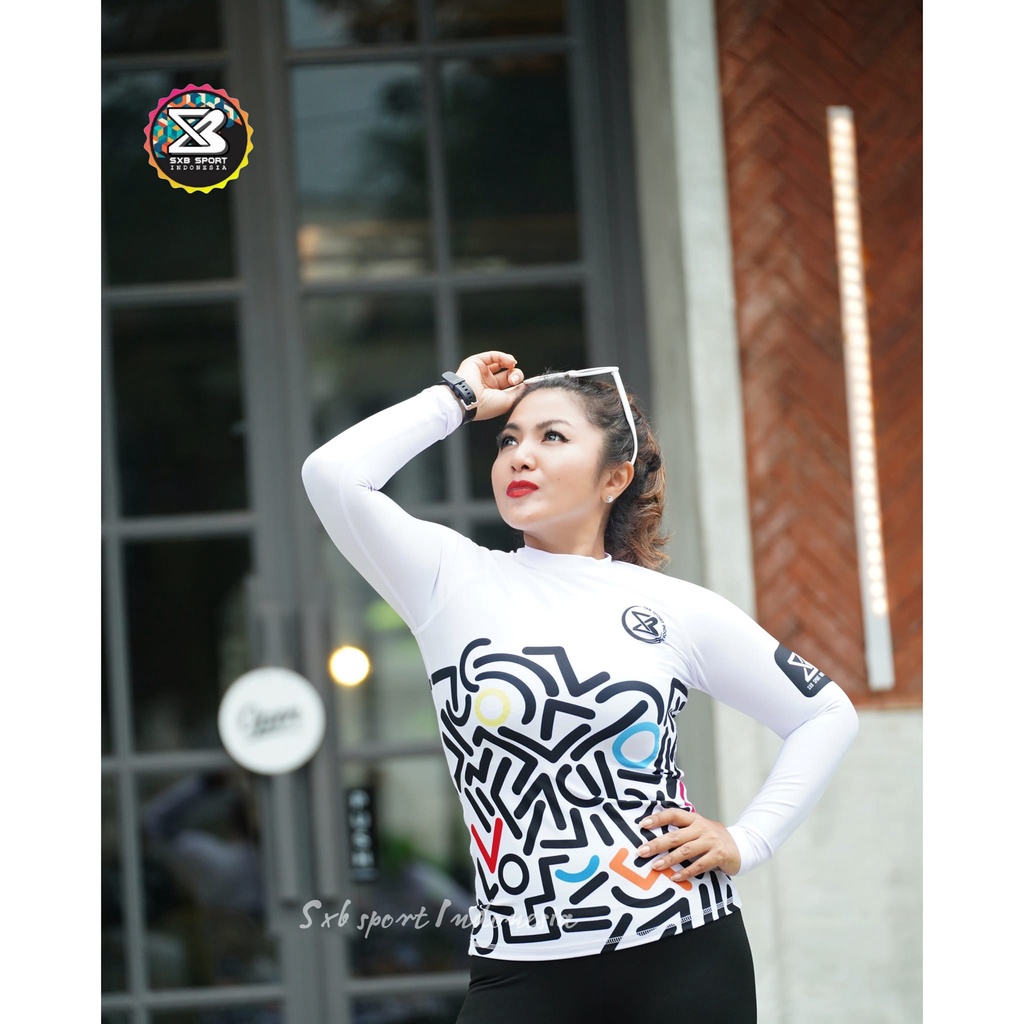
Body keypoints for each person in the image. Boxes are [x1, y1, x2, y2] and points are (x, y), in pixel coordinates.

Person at [301, 351, 858, 1023]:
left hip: (682, 950)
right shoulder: (447, 579)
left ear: (613, 478)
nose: (520, 456)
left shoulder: (673, 609)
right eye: (509, 440)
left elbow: (825, 713)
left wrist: (749, 840)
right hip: (519, 966)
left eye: (552, 437)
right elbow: (331, 475)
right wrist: (457, 399)